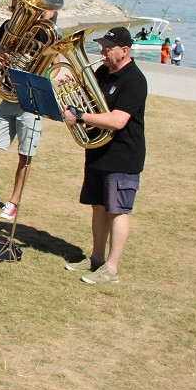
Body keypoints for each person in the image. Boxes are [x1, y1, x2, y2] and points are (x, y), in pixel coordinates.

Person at [61, 27, 147, 285]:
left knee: (118, 211)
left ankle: (111, 268)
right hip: (98, 150)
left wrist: (80, 117)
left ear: (125, 50)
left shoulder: (134, 80)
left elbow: (118, 120)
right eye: (103, 47)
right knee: (98, 207)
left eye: (109, 48)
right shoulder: (102, 72)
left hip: (123, 155)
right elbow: (88, 99)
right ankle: (96, 259)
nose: (103, 52)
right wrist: (72, 88)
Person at [0, 0, 62, 222]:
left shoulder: (45, 32)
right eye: (16, 7)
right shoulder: (7, 26)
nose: (17, 12)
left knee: (25, 153)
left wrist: (47, 74)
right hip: (9, 93)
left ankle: (14, 201)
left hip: (31, 99)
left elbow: (56, 64)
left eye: (21, 7)